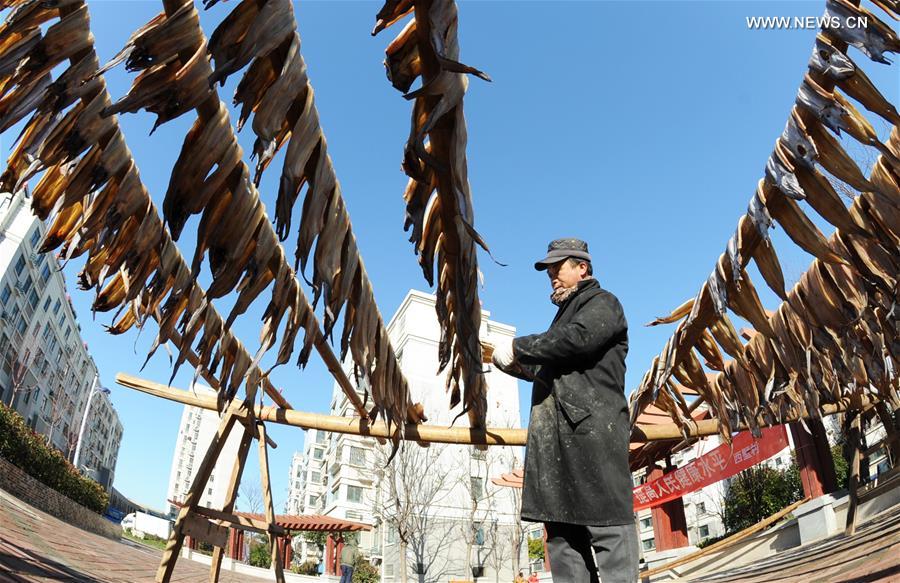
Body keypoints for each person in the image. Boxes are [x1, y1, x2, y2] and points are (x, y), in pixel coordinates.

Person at [492, 238, 639, 583]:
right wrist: (511, 364)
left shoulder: (603, 303)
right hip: (555, 446)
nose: (552, 276)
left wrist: (518, 347)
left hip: (592, 438)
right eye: (549, 271)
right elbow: (553, 371)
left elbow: (579, 339)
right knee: (563, 541)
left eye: (559, 268)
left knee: (608, 531)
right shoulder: (562, 319)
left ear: (582, 268)